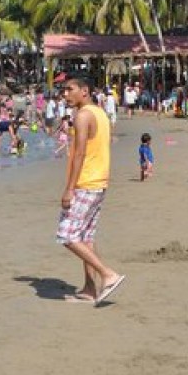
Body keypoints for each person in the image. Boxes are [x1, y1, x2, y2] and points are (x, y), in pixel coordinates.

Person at [56, 76, 126, 307]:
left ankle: (108, 274)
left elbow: (80, 153)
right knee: (86, 237)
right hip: (99, 181)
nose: (65, 94)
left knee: (67, 235)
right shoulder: (99, 113)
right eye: (64, 90)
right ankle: (89, 289)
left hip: (86, 183)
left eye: (70, 90)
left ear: (84, 91)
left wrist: (69, 188)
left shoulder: (84, 115)